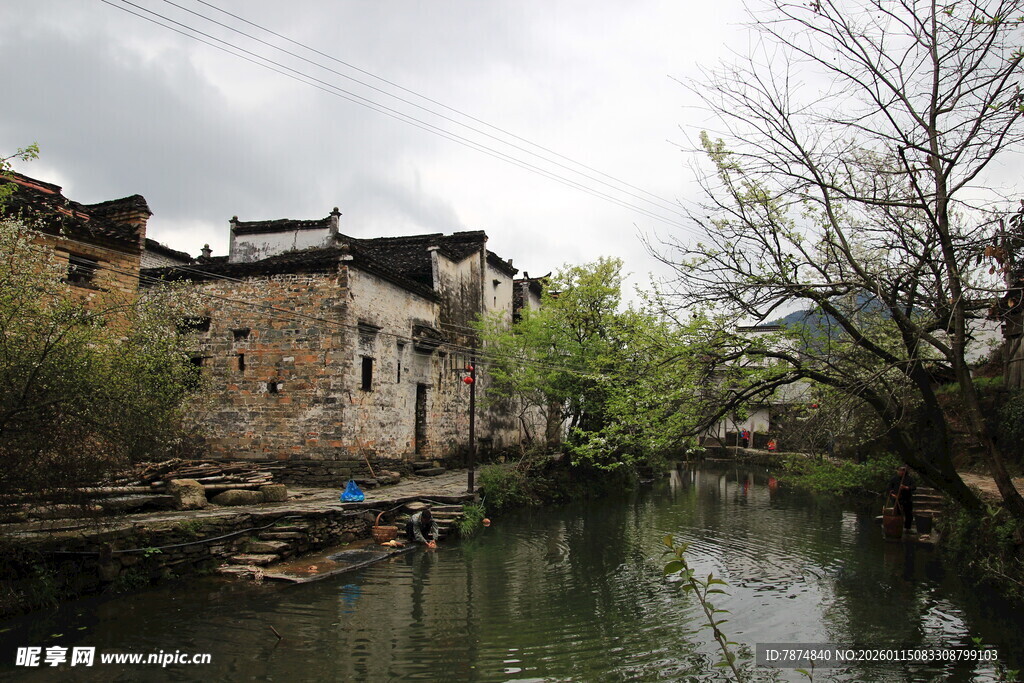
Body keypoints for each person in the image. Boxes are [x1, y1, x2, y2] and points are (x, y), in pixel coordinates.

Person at [886, 465, 916, 531]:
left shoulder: (909, 479)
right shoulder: (894, 479)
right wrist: (893, 495)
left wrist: (906, 487)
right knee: (897, 513)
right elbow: (889, 488)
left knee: (908, 513)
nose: (900, 472)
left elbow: (913, 487)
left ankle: (907, 528)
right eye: (899, 471)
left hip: (907, 498)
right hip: (896, 498)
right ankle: (897, 526)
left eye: (902, 471)